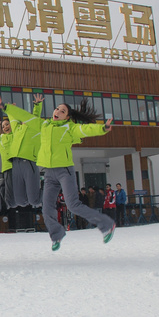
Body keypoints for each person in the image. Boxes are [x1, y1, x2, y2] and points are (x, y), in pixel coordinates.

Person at [36, 98, 116, 251]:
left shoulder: (69, 128)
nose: (57, 112)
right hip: (49, 173)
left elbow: (85, 130)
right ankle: (57, 235)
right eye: (57, 109)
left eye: (62, 111)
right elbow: (29, 118)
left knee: (73, 205)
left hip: (65, 171)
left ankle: (106, 224)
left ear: (67, 117)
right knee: (46, 208)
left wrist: (103, 128)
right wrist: (8, 108)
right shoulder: (45, 125)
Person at [0, 94, 44, 208]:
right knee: (19, 201)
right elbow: (12, 117)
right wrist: (10, 109)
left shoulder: (34, 127)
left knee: (34, 201)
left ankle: (49, 185)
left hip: (29, 161)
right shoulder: (17, 128)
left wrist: (38, 105)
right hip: (15, 163)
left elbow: (35, 116)